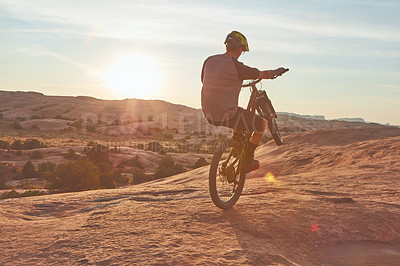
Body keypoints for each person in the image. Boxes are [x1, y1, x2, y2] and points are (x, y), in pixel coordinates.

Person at [201, 30, 288, 173]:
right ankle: (247, 161)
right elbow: (262, 74)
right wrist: (276, 72)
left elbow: (205, 80)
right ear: (240, 49)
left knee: (237, 113)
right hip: (226, 113)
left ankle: (236, 143)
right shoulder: (236, 66)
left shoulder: (209, 60)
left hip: (208, 113)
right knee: (261, 125)